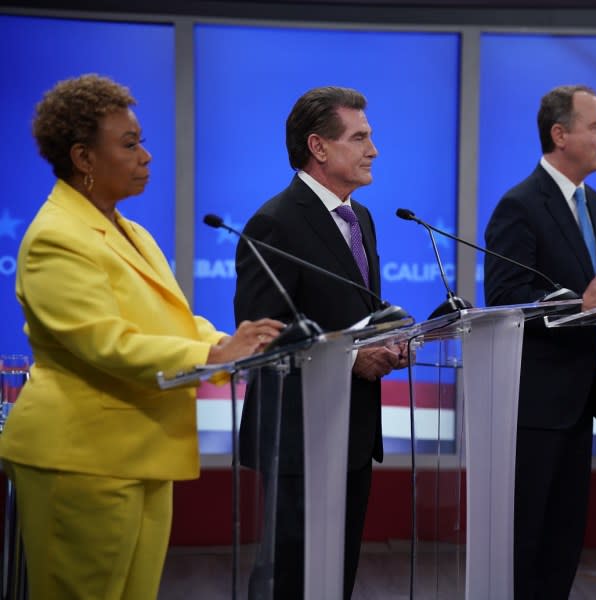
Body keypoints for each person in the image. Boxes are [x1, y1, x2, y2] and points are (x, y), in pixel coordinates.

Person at [0, 74, 283, 600]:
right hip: (81, 459)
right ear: (84, 158)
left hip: (138, 450)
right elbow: (106, 342)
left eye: (142, 141)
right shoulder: (56, 237)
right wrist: (214, 353)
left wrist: (237, 342)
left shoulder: (130, 230)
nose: (146, 156)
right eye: (129, 145)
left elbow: (167, 323)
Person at [234, 86, 409, 599]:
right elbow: (261, 331)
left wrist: (394, 339)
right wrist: (353, 359)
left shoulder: (362, 219)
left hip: (352, 429)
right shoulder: (275, 222)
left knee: (336, 578)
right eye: (360, 138)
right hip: (299, 436)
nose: (373, 150)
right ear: (319, 147)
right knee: (291, 578)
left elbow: (359, 313)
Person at [483, 84, 596, 599]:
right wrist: (578, 306)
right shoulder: (519, 205)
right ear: (560, 135)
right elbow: (505, 299)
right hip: (532, 403)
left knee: (564, 539)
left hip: (580, 401)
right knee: (525, 539)